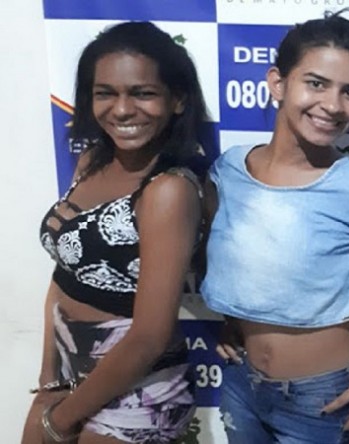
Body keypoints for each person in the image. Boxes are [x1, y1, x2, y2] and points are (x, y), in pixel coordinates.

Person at [201, 9, 349, 444]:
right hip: (241, 383)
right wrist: (236, 318)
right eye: (316, 83)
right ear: (278, 83)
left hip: (326, 397)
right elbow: (240, 260)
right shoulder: (228, 171)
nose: (333, 105)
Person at [22, 21, 209, 443]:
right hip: (70, 378)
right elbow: (63, 276)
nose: (122, 110)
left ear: (178, 99)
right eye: (105, 93)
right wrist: (50, 380)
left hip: (140, 393)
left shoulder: (168, 190)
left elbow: (149, 337)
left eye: (142, 93)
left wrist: (61, 420)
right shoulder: (92, 160)